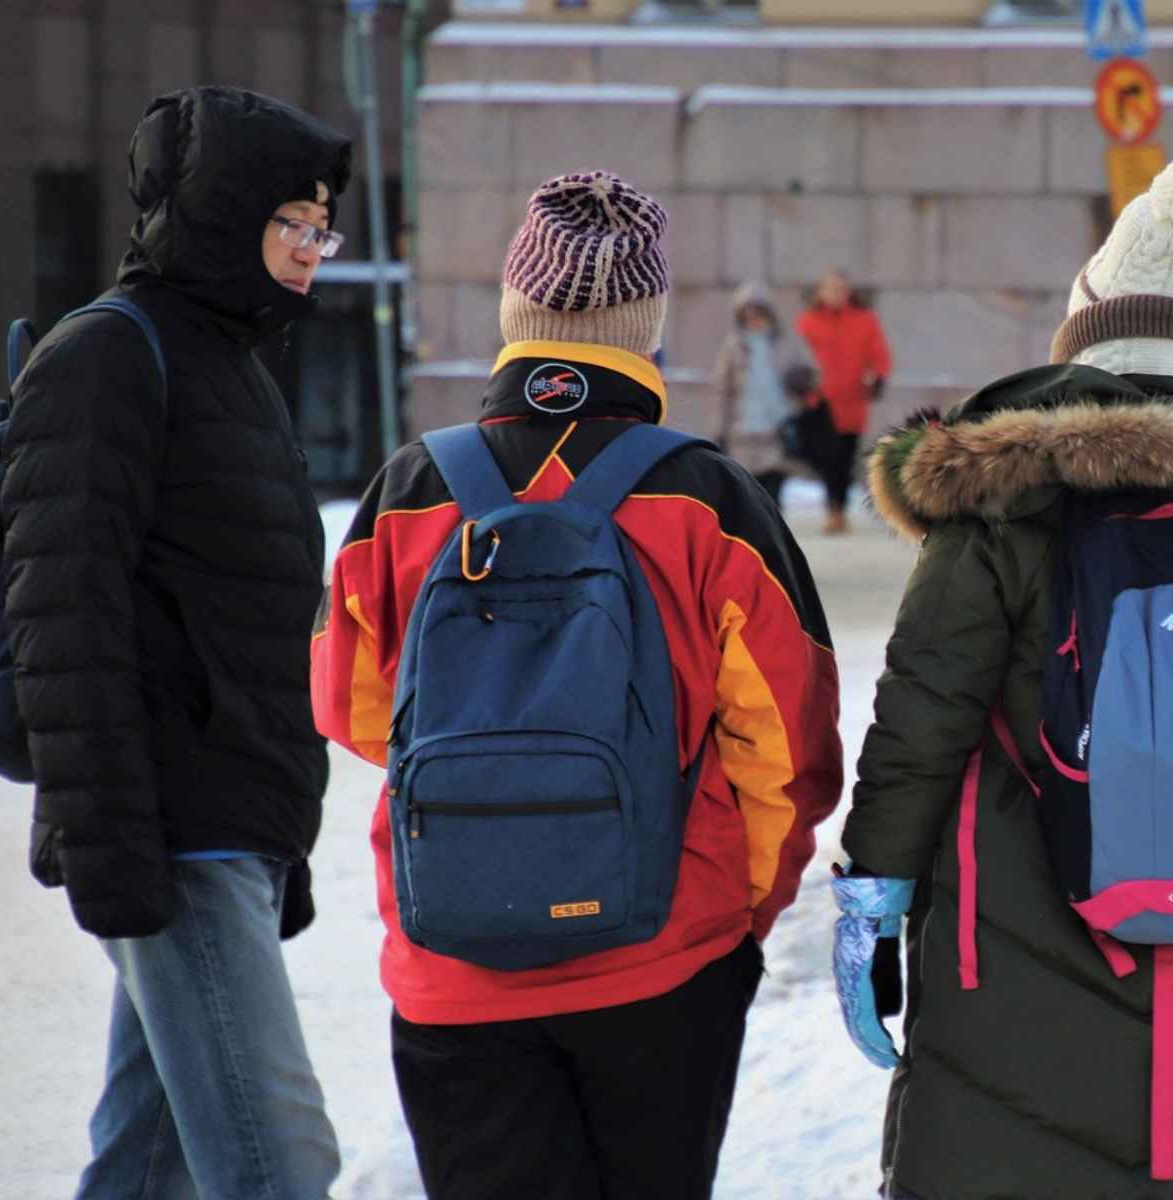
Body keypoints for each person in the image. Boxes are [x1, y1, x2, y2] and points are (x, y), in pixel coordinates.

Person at [311, 170, 843, 1200]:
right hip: (664, 959)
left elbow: (350, 707)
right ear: (645, 332)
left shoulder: (411, 489)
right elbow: (789, 748)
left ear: (516, 313)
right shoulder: (709, 496)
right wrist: (741, 912)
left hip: (453, 963)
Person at [834, 147, 1173, 1199]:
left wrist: (872, 897)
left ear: (1084, 339)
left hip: (1015, 957)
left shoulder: (1000, 505)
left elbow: (922, 716)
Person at [0, 86, 348, 1198]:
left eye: (322, 229)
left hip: (229, 819)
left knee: (146, 1170)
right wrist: (113, 848)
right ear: (219, 215)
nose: (312, 252)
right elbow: (64, 616)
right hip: (171, 828)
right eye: (292, 224)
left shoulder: (230, 366)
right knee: (281, 1162)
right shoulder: (109, 356)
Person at [793, 267, 891, 534]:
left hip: (852, 403)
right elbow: (795, 356)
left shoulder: (865, 320)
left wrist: (877, 378)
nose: (835, 294)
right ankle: (833, 510)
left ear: (848, 293)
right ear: (821, 292)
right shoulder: (808, 322)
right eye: (830, 289)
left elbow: (879, 356)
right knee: (828, 457)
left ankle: (838, 511)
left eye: (840, 289)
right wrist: (800, 386)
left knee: (844, 459)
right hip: (819, 402)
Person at [713, 281, 816, 507]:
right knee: (747, 499)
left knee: (772, 497)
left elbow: (809, 372)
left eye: (758, 314)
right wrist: (720, 429)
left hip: (777, 430)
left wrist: (801, 380)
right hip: (742, 433)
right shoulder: (733, 347)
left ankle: (772, 539)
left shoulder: (787, 343)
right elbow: (723, 391)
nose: (753, 321)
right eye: (747, 316)